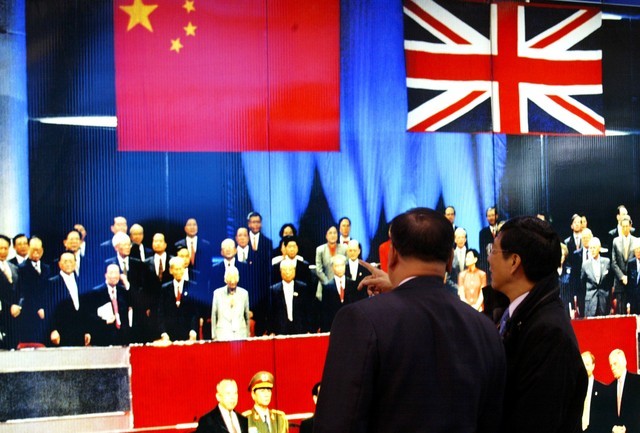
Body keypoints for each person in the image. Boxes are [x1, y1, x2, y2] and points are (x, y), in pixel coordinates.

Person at [314, 207, 506, 433]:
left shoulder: (360, 321)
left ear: (393, 255)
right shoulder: (485, 329)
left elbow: (337, 422)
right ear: (450, 259)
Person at [489, 216, 587, 433]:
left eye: (493, 251)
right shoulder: (518, 315)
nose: (488, 258)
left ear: (514, 262)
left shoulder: (549, 334)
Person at [48, 251, 91, 347]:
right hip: (61, 332)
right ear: (59, 264)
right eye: (65, 261)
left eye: (71, 261)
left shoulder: (82, 282)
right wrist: (52, 329)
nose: (68, 264)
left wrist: (87, 330)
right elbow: (49, 309)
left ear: (75, 263)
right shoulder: (51, 283)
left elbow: (85, 309)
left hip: (79, 332)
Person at [85, 264, 130, 346]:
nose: (114, 276)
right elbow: (90, 316)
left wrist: (126, 283)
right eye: (111, 273)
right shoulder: (95, 293)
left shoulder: (123, 292)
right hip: (104, 337)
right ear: (105, 275)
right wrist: (104, 321)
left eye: (116, 273)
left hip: (123, 339)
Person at [16, 236, 51, 344]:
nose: (36, 253)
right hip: (29, 313)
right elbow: (25, 292)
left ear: (42, 251)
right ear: (28, 249)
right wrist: (38, 307)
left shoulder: (47, 268)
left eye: (38, 250)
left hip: (46, 312)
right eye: (33, 250)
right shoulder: (21, 268)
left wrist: (45, 307)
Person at [157, 257, 198, 342]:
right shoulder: (164, 288)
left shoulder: (192, 287)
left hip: (188, 333)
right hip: (169, 334)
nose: (178, 272)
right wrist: (163, 332)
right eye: (176, 269)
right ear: (171, 270)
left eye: (180, 269)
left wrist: (193, 330)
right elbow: (161, 312)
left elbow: (195, 312)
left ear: (184, 269)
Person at [268, 259, 312, 335]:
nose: (288, 272)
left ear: (294, 271)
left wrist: (309, 329)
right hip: (280, 330)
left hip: (300, 329)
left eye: (290, 269)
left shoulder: (303, 288)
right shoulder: (273, 290)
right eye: (285, 270)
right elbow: (271, 313)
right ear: (280, 271)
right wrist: (271, 331)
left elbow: (308, 310)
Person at [211, 266, 250, 341]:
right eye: (230, 279)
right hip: (222, 336)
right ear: (225, 279)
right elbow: (214, 316)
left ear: (238, 279)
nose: (232, 281)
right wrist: (214, 336)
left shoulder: (244, 294)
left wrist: (247, 335)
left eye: (235, 278)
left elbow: (247, 317)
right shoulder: (217, 294)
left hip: (240, 335)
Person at [609, 348, 640, 433]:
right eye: (611, 365)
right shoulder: (611, 387)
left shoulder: (637, 382)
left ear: (624, 362)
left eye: (615, 364)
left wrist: (627, 428)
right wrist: (613, 428)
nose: (612, 368)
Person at [611, 215, 637, 314]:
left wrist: (629, 277)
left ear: (630, 226)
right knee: (620, 312)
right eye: (623, 226)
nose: (625, 228)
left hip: (633, 281)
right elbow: (613, 262)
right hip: (620, 282)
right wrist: (622, 277)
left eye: (627, 226)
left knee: (634, 311)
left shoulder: (636, 241)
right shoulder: (615, 241)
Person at [581, 351, 611, 433]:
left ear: (593, 366)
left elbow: (605, 418)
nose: (584, 367)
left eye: (587, 364)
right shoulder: (575, 390)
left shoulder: (603, 390)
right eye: (582, 364)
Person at [581, 237, 612, 317]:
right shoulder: (585, 265)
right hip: (590, 301)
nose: (592, 250)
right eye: (590, 248)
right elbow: (582, 283)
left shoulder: (606, 262)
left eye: (594, 248)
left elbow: (610, 281)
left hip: (604, 300)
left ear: (599, 248)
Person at [0, 234, 20, 349]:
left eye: (5, 248)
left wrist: (19, 306)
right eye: (0, 248)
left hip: (14, 318)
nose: (3, 251)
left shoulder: (14, 268)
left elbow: (21, 290)